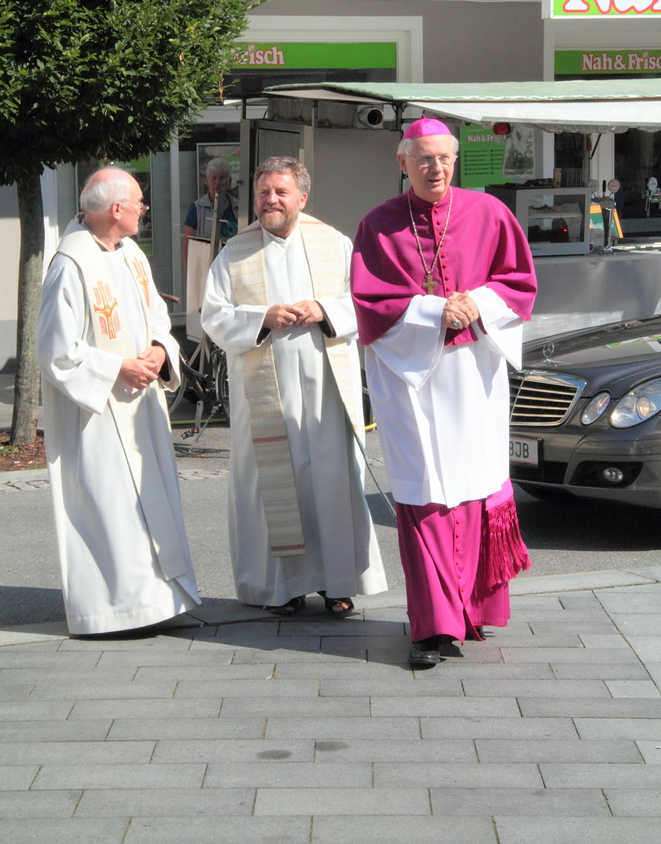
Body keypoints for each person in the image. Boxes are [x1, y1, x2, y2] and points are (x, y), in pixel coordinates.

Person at [351, 117, 537, 666]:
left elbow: (520, 282)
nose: (436, 168)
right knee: (424, 492)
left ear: (455, 160)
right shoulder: (378, 224)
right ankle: (433, 628)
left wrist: (478, 302)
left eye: (445, 158)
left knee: (477, 485)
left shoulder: (489, 212)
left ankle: (472, 609)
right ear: (403, 162)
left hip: (474, 373)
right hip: (411, 379)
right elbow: (369, 301)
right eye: (424, 159)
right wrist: (434, 311)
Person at [201, 156, 387, 614]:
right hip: (265, 397)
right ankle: (280, 588)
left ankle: (337, 583)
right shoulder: (234, 252)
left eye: (281, 192)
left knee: (332, 482)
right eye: (264, 192)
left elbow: (365, 300)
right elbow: (214, 316)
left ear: (302, 198)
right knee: (273, 488)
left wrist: (325, 310)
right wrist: (261, 318)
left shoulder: (335, 243)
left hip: (326, 391)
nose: (271, 200)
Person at [36, 167, 201, 635]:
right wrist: (116, 368)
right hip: (98, 415)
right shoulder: (71, 264)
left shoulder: (131, 254)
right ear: (115, 209)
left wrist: (159, 350)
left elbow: (157, 317)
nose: (143, 211)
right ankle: (114, 612)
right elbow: (54, 350)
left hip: (140, 406)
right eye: (139, 203)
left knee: (150, 502)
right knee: (112, 508)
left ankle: (158, 602)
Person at [183, 156, 238, 270]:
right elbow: (187, 245)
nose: (217, 182)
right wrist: (190, 274)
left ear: (229, 181)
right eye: (213, 178)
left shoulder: (238, 207)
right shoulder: (196, 208)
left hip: (232, 268)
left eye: (222, 178)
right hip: (205, 269)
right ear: (207, 181)